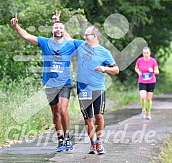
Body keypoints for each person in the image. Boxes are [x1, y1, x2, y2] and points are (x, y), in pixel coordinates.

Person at [10, 13, 75, 152]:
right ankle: (60, 139)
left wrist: (59, 23)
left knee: (63, 110)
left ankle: (68, 137)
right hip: (50, 83)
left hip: (65, 82)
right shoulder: (45, 42)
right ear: (52, 30)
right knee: (56, 112)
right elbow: (27, 36)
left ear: (64, 31)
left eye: (61, 28)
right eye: (56, 28)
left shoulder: (69, 45)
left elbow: (73, 40)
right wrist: (16, 26)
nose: (58, 30)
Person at [72, 26, 119, 155]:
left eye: (88, 35)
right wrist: (57, 21)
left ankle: (99, 141)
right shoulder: (81, 46)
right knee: (88, 118)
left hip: (98, 88)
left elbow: (116, 70)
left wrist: (105, 69)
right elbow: (65, 37)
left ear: (95, 36)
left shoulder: (104, 52)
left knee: (99, 116)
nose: (85, 37)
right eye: (85, 35)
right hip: (83, 88)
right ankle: (93, 144)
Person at [135, 47, 159, 120]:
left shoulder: (153, 61)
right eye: (144, 53)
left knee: (149, 99)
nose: (145, 54)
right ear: (143, 53)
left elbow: (157, 71)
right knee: (142, 96)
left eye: (147, 53)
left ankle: (148, 113)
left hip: (151, 81)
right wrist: (138, 72)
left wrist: (152, 71)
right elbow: (136, 68)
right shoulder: (139, 60)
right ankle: (143, 110)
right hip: (142, 81)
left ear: (149, 53)